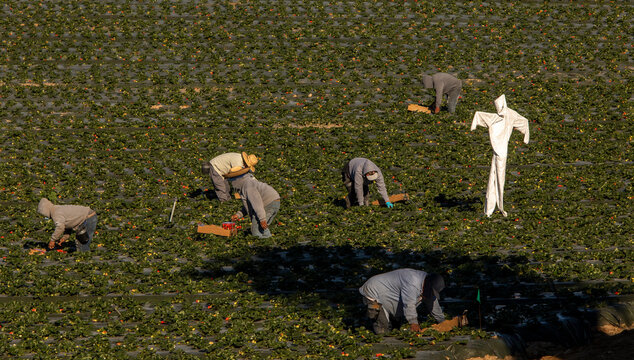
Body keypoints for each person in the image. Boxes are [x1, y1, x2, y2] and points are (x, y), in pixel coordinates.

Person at [360, 269, 460, 334]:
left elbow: (432, 303)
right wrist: (413, 323)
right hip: (374, 292)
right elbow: (409, 304)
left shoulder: (427, 285)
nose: (431, 293)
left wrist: (442, 322)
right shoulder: (413, 281)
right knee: (382, 328)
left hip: (389, 295)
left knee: (396, 326)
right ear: (428, 285)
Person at [228, 172, 280, 239]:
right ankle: (268, 243)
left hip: (269, 203)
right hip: (273, 202)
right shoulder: (245, 185)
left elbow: (257, 203)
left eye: (232, 180)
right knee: (262, 228)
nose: (232, 184)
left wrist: (262, 219)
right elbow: (250, 205)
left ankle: (265, 245)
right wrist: (239, 214)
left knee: (256, 230)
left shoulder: (248, 186)